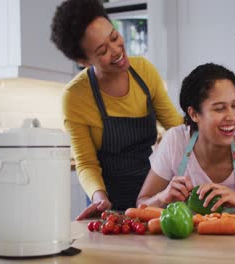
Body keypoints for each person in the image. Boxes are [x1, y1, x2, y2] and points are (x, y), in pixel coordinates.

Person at [50, 0, 183, 219]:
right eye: (102, 50)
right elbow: (86, 163)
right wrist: (99, 197)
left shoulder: (144, 71)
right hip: (109, 200)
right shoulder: (75, 97)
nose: (116, 50)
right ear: (84, 60)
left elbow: (176, 126)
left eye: (114, 37)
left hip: (152, 196)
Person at [137, 63, 235, 218]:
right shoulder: (176, 142)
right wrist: (163, 197)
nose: (231, 116)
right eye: (219, 108)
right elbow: (141, 204)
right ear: (194, 114)